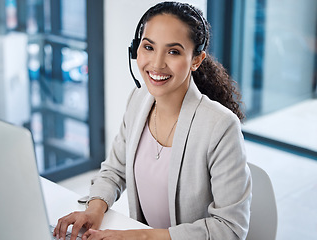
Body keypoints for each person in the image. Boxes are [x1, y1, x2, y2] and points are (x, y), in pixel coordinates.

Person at [54, 1, 251, 240]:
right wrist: (94, 209)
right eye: (148, 47)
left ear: (196, 60)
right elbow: (115, 170)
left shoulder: (220, 126)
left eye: (173, 51)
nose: (156, 63)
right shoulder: (138, 100)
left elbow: (229, 229)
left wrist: (140, 237)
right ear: (135, 49)